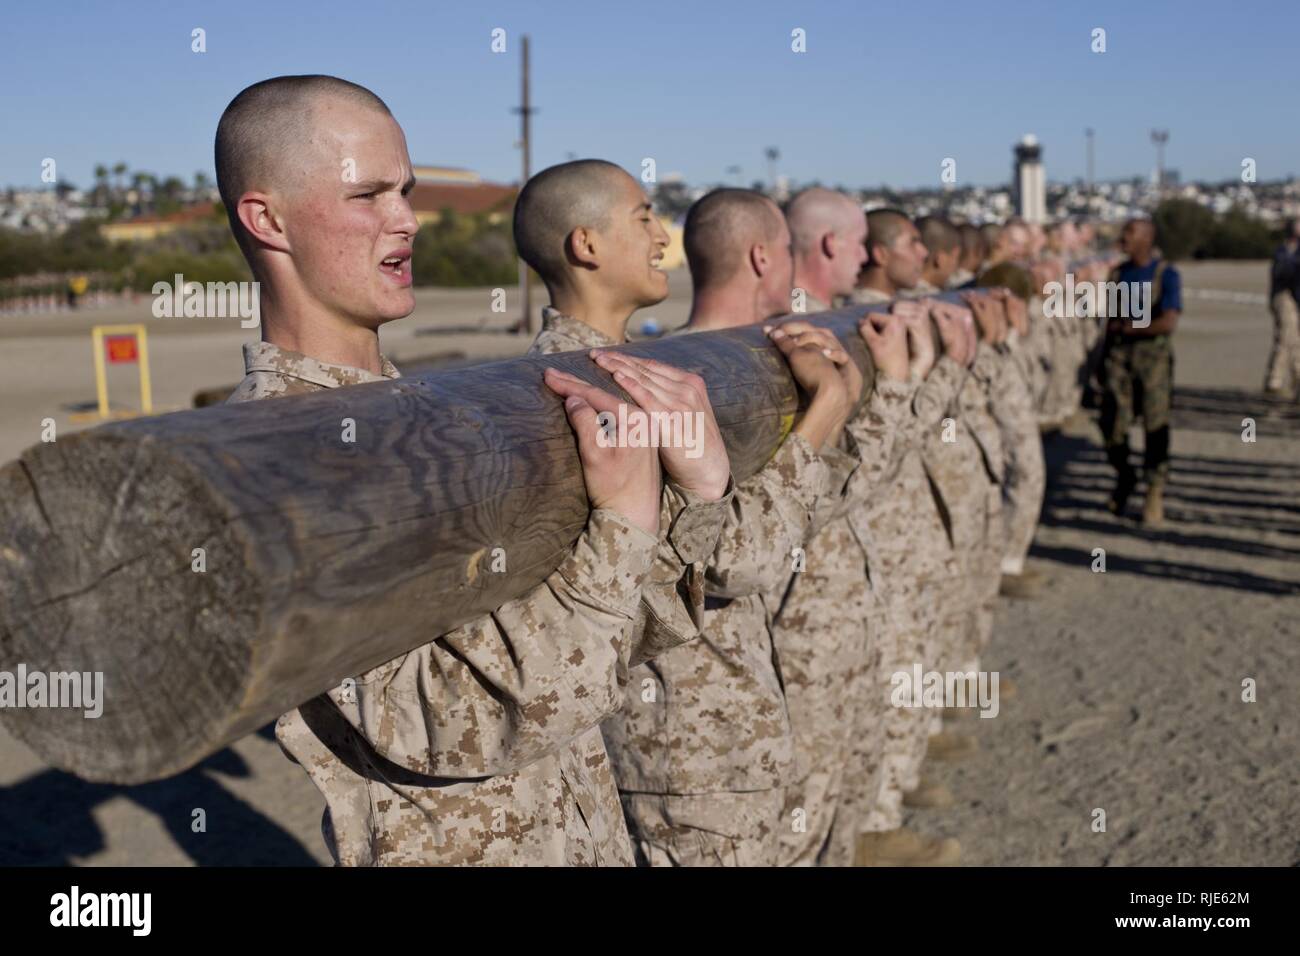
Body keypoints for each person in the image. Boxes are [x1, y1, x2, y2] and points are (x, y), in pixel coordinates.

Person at [218, 76, 684, 866]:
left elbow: (629, 643)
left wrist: (685, 500)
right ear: (268, 220)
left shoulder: (429, 412)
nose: (406, 220)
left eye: (405, 190)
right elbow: (449, 719)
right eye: (367, 194)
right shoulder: (286, 459)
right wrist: (625, 528)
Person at [604, 187, 857, 865]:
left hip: (743, 722)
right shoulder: (661, 384)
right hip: (687, 745)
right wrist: (827, 417)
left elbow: (803, 521)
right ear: (762, 256)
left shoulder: (740, 363)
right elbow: (737, 562)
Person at [1100, 218, 1182, 525]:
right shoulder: (1119, 274)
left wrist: (1135, 327)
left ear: (1148, 238)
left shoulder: (1165, 274)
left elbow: (1169, 321)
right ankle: (1125, 476)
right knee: (1112, 424)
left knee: (1155, 424)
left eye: (1130, 233)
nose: (1124, 237)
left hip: (1152, 358)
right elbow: (1108, 323)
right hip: (1118, 358)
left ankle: (1154, 489)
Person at [1264, 219, 1300, 399]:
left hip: (1296, 296)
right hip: (1283, 295)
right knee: (1286, 335)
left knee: (1295, 340)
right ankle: (1275, 379)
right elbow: (1282, 272)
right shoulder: (1284, 250)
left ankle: (1296, 379)